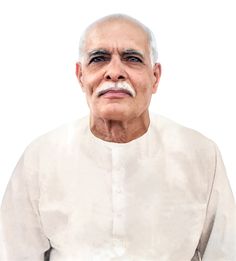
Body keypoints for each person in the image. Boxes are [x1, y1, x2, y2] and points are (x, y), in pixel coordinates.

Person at [0, 13, 235, 261]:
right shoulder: (41, 159)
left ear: (155, 77)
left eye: (132, 58)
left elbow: (225, 251)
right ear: (81, 76)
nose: (114, 72)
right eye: (99, 59)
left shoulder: (200, 155)